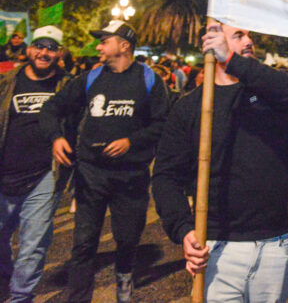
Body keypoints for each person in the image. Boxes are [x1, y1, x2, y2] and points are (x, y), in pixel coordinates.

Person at [152, 23, 288, 302]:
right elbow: (165, 177)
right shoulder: (189, 107)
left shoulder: (270, 93)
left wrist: (231, 60)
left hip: (274, 242)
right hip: (217, 248)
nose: (249, 41)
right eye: (238, 36)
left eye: (249, 35)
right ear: (211, 43)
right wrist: (183, 229)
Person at [38, 20, 169, 303]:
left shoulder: (149, 80)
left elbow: (163, 123)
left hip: (131, 177)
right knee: (83, 243)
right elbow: (52, 107)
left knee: (127, 240)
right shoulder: (91, 78)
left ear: (123, 46)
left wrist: (131, 142)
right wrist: (56, 137)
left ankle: (124, 291)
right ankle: (78, 297)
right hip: (91, 174)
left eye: (104, 41)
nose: (98, 46)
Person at [0, 26, 69, 302]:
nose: (44, 52)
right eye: (39, 46)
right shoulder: (7, 82)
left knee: (33, 244)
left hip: (44, 175)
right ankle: (5, 274)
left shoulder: (68, 86)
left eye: (51, 48)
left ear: (59, 53)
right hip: (5, 172)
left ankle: (20, 297)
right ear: (29, 49)